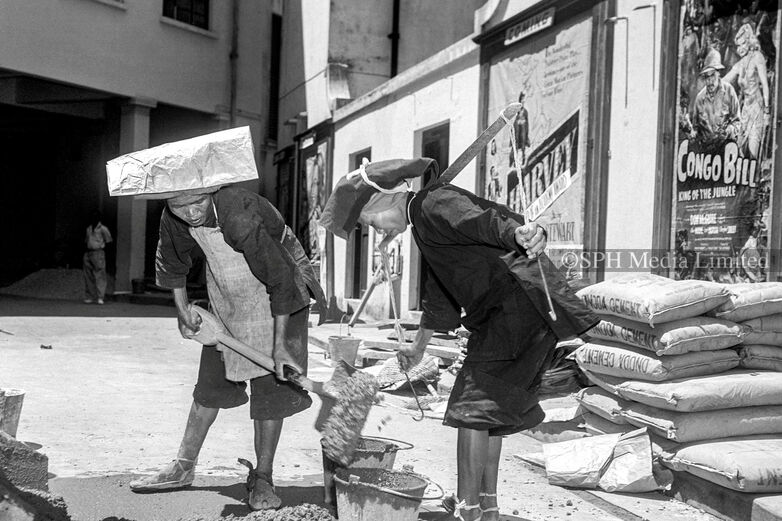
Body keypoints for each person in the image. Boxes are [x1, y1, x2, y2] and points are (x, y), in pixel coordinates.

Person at [319, 158, 598, 521]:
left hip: (515, 307)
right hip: (511, 314)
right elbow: (439, 293)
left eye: (367, 220)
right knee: (490, 412)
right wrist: (418, 348)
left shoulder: (433, 203)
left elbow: (484, 219)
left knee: (471, 410)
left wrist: (519, 233)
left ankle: (468, 511)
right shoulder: (422, 223)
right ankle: (488, 506)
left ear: (380, 202)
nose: (373, 228)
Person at [128, 184, 327, 512]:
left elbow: (278, 276)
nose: (191, 212)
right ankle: (183, 466)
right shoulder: (173, 216)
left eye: (197, 202)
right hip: (228, 291)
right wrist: (183, 311)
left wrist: (278, 347)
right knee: (211, 380)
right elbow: (172, 263)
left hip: (282, 287)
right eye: (180, 206)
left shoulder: (238, 210)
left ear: (211, 191)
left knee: (271, 388)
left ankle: (263, 477)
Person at [723, 23, 770, 159]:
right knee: (741, 150)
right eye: (737, 45)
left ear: (749, 41)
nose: (739, 49)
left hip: (757, 107)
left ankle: (755, 176)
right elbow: (725, 81)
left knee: (753, 148)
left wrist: (767, 112)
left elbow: (765, 85)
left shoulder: (758, 57)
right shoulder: (741, 63)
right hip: (745, 109)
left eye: (742, 44)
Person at [691, 47, 741, 146]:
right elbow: (695, 128)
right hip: (706, 153)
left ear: (718, 74)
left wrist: (728, 132)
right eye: (706, 77)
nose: (710, 81)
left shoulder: (729, 91)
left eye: (712, 75)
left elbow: (737, 123)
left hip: (726, 148)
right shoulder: (700, 98)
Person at [82, 211, 112, 305]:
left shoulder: (103, 229)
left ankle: (100, 296)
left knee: (100, 274)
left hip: (98, 252)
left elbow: (109, 241)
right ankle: (90, 296)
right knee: (88, 275)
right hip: (89, 252)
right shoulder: (89, 229)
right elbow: (86, 241)